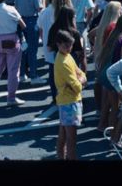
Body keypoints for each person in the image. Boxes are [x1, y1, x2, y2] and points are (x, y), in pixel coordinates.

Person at [53, 30, 86, 161]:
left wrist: (81, 78)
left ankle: (61, 157)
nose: (69, 48)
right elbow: (77, 86)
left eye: (70, 45)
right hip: (70, 102)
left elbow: (80, 73)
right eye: (66, 45)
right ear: (58, 44)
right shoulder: (64, 61)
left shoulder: (65, 56)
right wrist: (82, 80)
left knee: (63, 135)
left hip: (65, 101)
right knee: (71, 139)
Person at [15, 0, 44, 84]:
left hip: (20, 21)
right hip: (32, 22)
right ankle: (33, 75)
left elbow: (16, 6)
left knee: (22, 49)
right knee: (33, 50)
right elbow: (40, 10)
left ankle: (22, 74)